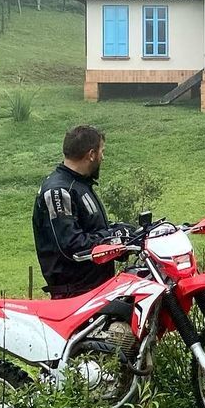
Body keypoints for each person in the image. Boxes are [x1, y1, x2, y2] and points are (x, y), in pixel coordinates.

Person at [32, 125, 130, 298]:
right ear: (91, 154)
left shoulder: (80, 185)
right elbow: (72, 246)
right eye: (102, 151)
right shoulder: (59, 191)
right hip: (76, 296)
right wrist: (114, 238)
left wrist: (126, 232)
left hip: (96, 290)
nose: (103, 157)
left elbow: (90, 231)